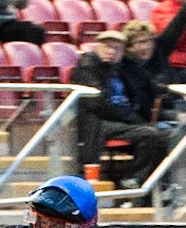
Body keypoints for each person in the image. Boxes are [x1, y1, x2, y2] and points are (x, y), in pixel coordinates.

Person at [69, 29, 172, 189]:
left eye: (117, 48)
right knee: (150, 134)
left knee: (166, 134)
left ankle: (156, 187)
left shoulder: (121, 69)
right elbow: (98, 104)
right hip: (99, 124)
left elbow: (140, 90)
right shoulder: (88, 67)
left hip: (122, 121)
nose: (111, 51)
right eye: (107, 46)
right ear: (98, 47)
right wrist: (133, 120)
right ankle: (134, 181)